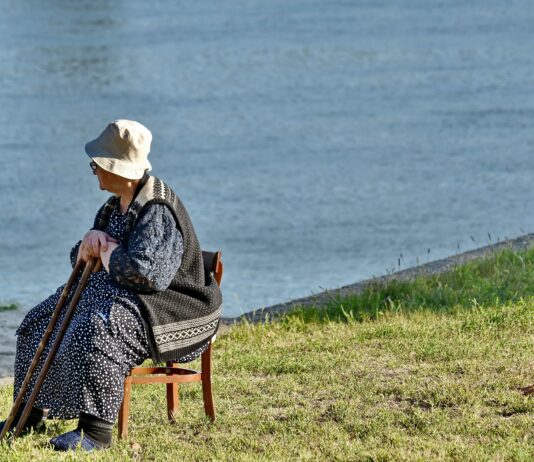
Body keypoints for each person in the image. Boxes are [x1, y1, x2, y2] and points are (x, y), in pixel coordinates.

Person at [0, 120, 222, 451]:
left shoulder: (156, 209)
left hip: (171, 305)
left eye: (98, 164)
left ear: (122, 170)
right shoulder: (114, 203)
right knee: (39, 319)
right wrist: (88, 245)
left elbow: (149, 277)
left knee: (99, 327)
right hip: (128, 294)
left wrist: (109, 250)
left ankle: (95, 432)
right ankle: (30, 412)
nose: (93, 170)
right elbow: (90, 257)